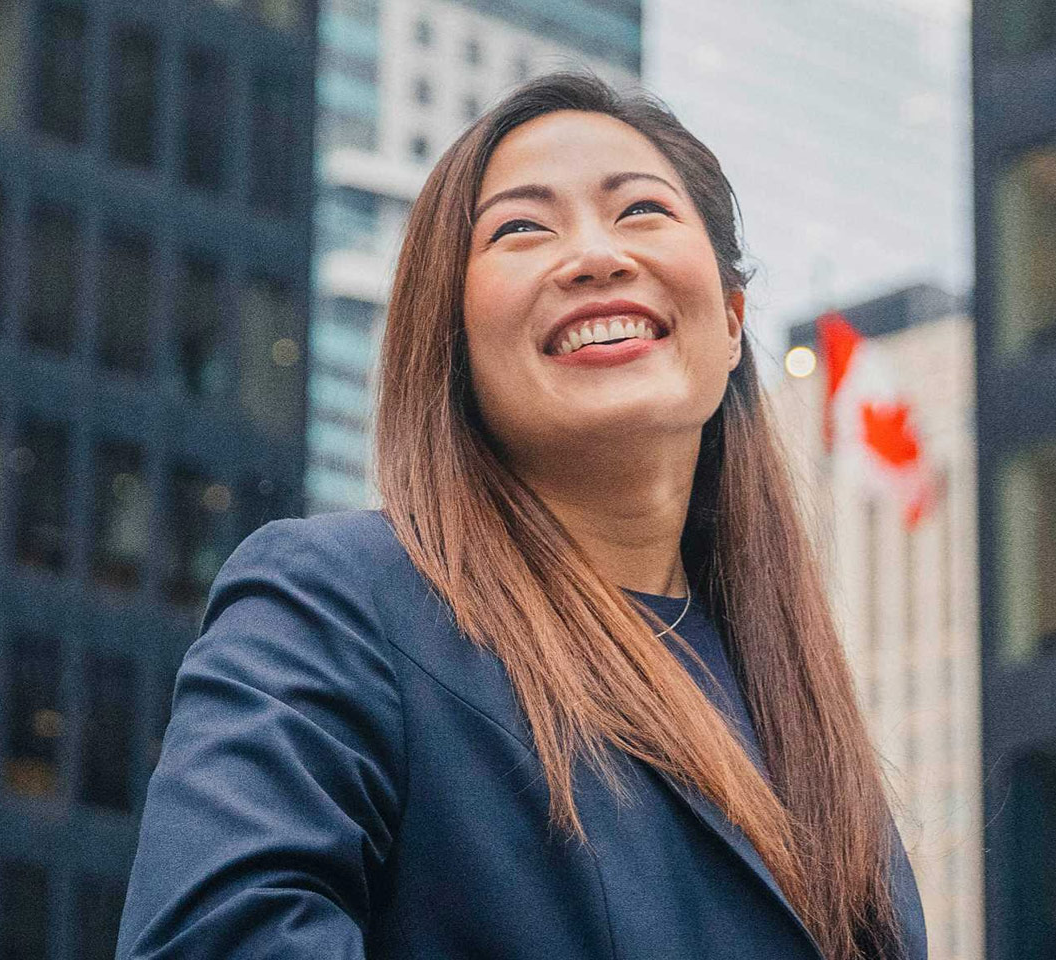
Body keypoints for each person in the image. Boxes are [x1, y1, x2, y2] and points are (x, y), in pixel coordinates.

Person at [116, 73, 927, 960]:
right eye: (521, 228)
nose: (594, 256)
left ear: (732, 321)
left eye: (643, 211)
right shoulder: (336, 603)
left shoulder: (807, 734)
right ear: (453, 341)